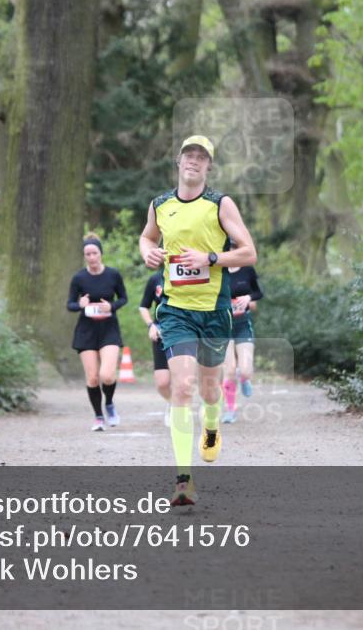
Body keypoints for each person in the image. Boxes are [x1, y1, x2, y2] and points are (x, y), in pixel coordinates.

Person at [139, 134, 257, 505]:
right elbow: (147, 237)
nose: (194, 160)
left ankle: (212, 424)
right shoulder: (160, 205)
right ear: (178, 161)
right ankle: (183, 480)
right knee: (183, 387)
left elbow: (248, 253)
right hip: (176, 310)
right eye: (188, 155)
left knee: (209, 389)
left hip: (215, 312)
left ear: (209, 166)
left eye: (201, 157)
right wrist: (148, 252)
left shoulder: (220, 204)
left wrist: (210, 258)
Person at [67, 233, 128, 431]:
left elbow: (123, 298)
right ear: (84, 256)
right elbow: (70, 304)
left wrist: (111, 306)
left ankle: (109, 403)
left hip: (109, 328)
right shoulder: (78, 278)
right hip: (87, 331)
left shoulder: (113, 275)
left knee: (107, 375)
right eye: (88, 254)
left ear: (101, 253)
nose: (92, 257)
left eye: (95, 253)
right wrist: (80, 304)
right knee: (93, 377)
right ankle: (98, 417)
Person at [221, 259, 263, 424]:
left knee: (245, 370)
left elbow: (258, 293)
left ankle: (244, 378)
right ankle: (230, 410)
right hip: (223, 327)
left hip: (243, 325)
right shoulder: (218, 270)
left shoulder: (247, 270)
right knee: (229, 370)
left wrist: (248, 298)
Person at [138, 268, 172, 425]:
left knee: (181, 378)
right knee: (162, 383)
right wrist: (151, 325)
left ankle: (180, 408)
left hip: (184, 332)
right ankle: (172, 402)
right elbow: (143, 306)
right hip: (161, 333)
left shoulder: (190, 275)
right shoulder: (155, 279)